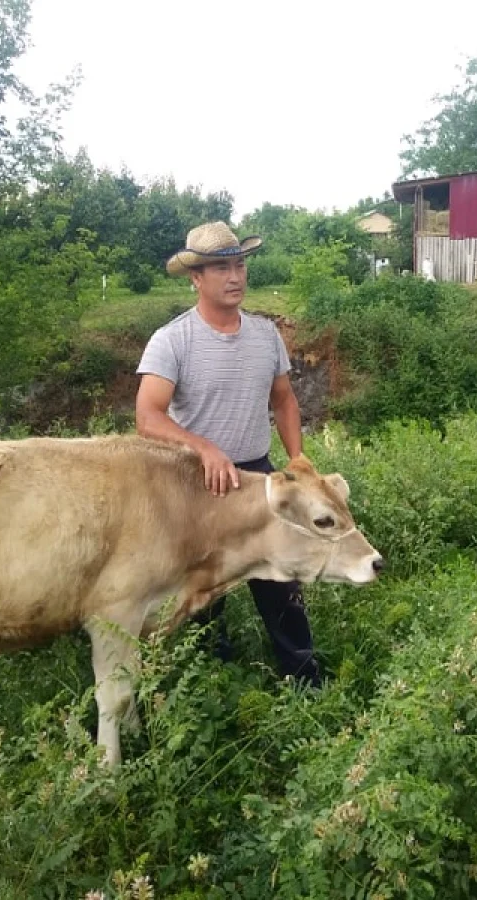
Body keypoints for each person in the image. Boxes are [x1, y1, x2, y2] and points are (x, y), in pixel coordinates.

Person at [134, 221, 324, 688]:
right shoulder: (173, 340)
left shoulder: (265, 335)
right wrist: (203, 449)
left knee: (280, 580)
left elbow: (283, 400)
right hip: (197, 484)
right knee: (204, 592)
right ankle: (215, 684)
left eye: (239, 265)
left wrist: (296, 459)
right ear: (195, 278)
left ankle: (305, 680)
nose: (235, 276)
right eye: (221, 268)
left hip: (257, 476)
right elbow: (148, 417)